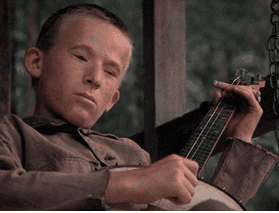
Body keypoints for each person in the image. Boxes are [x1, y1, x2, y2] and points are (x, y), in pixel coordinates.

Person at [0, 3, 277, 211]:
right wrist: (128, 183)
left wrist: (240, 137)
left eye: (110, 72)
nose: (95, 78)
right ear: (36, 62)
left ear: (112, 99)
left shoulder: (132, 154)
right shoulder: (10, 133)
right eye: (81, 56)